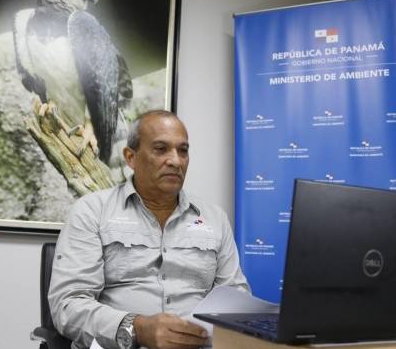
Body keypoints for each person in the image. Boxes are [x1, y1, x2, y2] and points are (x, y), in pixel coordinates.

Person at [49, 110, 250, 349]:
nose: (175, 161)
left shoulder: (215, 218)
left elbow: (236, 298)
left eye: (183, 150)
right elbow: (68, 305)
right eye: (161, 149)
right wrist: (136, 328)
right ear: (131, 157)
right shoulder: (92, 211)